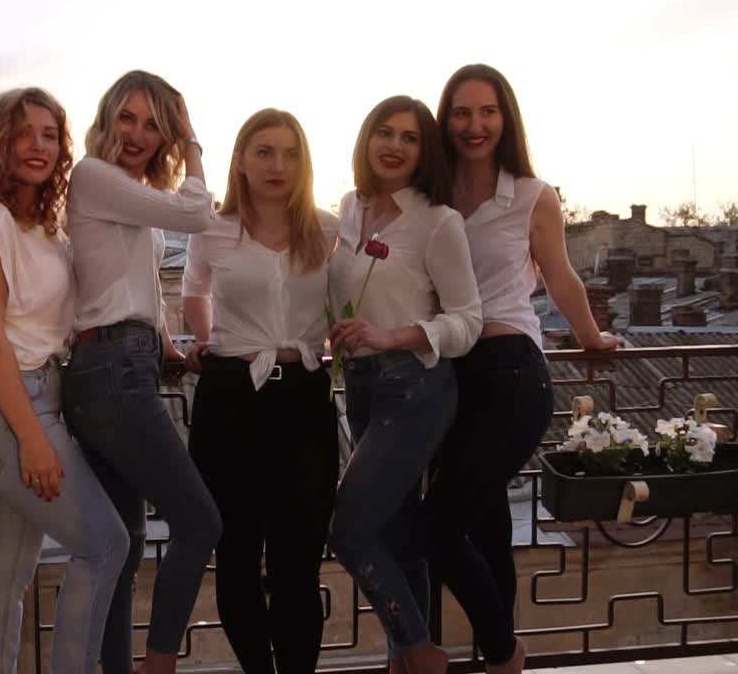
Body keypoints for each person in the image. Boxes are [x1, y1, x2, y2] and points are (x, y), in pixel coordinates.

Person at [425, 63, 622, 674]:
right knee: (484, 525)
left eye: (487, 111)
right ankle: (493, 656)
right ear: (445, 121)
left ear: (505, 119)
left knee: (435, 527)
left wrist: (590, 338)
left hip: (509, 373)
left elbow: (559, 275)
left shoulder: (533, 195)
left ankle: (504, 653)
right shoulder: (429, 191)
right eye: (462, 112)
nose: (475, 125)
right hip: (443, 376)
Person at [0, 87, 128, 674]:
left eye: (49, 135)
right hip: (8, 406)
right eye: (24, 133)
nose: (38, 145)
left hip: (37, 395)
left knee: (5, 578)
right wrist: (31, 437)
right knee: (105, 545)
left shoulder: (43, 228)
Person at [61, 70, 221, 674]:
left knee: (122, 550)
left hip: (119, 366)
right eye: (127, 118)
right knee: (200, 522)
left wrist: (165, 347)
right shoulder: (94, 175)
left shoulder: (127, 190)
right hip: (111, 372)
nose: (137, 134)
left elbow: (135, 284)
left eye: (153, 125)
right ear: (107, 119)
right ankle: (159, 663)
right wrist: (192, 140)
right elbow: (198, 212)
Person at [326, 95, 482, 674]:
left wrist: (391, 335)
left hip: (415, 388)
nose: (394, 146)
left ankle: (420, 652)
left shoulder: (439, 222)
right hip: (360, 385)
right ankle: (404, 662)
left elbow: (467, 322)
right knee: (394, 532)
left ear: (424, 152)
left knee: (348, 530)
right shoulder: (351, 207)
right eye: (385, 132)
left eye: (410, 138)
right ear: (367, 139)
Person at [183, 108, 339, 674]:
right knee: (237, 557)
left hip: (305, 398)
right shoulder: (212, 230)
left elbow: (350, 301)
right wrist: (206, 340)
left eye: (291, 153)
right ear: (241, 161)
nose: (279, 165)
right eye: (265, 152)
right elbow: (194, 292)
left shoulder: (329, 230)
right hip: (231, 398)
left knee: (298, 565)